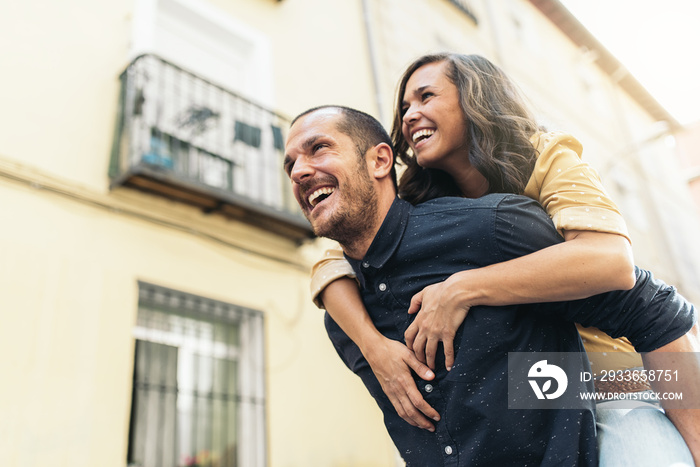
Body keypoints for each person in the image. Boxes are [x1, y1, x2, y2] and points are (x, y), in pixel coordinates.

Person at [308, 54, 700, 463]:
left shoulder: (546, 157)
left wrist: (463, 289)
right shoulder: (419, 203)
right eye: (404, 107)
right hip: (536, 386)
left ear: (476, 96)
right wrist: (375, 348)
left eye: (426, 97)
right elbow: (333, 264)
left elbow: (612, 262)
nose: (410, 115)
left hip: (612, 379)